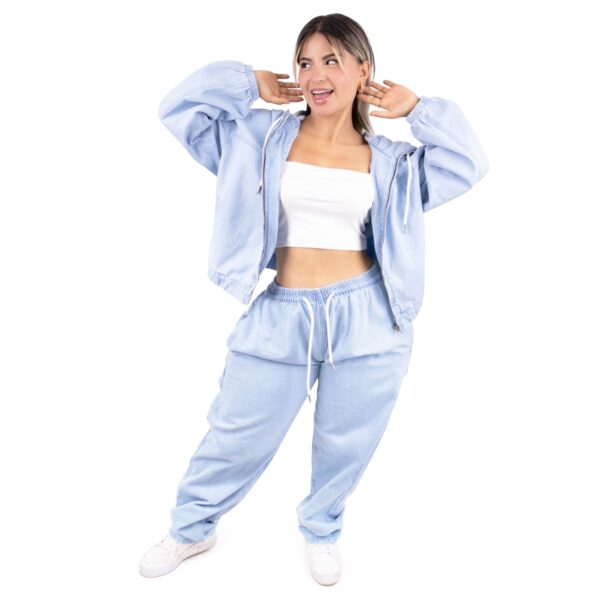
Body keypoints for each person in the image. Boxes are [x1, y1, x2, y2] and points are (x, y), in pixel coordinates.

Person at [139, 13, 489, 586]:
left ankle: (322, 529)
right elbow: (179, 110)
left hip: (369, 315)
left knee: (346, 443)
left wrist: (419, 110)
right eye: (304, 62)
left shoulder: (393, 162)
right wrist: (246, 84)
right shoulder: (257, 137)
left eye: (331, 60)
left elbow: (469, 163)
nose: (314, 75)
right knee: (236, 433)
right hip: (283, 311)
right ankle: (191, 527)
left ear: (363, 70)